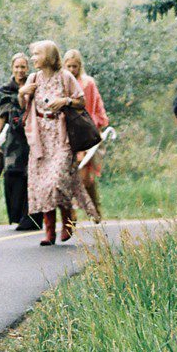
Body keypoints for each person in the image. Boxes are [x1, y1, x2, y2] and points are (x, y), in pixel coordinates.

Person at [22, 38, 98, 245]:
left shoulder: (65, 77)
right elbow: (24, 106)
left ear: (48, 56)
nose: (33, 58)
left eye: (37, 54)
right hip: (41, 137)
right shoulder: (33, 78)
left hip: (62, 134)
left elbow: (81, 101)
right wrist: (22, 92)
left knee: (57, 181)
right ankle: (49, 232)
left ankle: (67, 220)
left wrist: (64, 101)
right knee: (43, 185)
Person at [0, 51, 39, 230]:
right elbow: (2, 114)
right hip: (13, 137)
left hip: (32, 135)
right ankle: (17, 216)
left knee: (31, 175)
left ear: (27, 68)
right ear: (12, 68)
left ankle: (32, 218)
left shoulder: (34, 84)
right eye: (17, 67)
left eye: (23, 67)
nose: (20, 70)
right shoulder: (6, 88)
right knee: (12, 173)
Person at [63, 47, 111, 222]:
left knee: (86, 178)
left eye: (75, 66)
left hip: (85, 133)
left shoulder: (87, 83)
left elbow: (96, 107)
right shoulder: (62, 83)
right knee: (67, 177)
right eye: (68, 66)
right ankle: (71, 214)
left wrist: (96, 129)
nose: (72, 70)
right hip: (67, 134)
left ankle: (94, 211)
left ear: (80, 66)